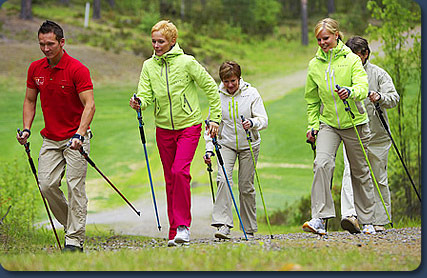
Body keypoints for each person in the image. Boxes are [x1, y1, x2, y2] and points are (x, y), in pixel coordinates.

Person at [129, 20, 222, 246]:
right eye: (153, 41)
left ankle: (183, 226)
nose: (156, 46)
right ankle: (174, 232)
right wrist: (139, 102)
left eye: (161, 41)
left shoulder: (187, 62)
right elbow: (146, 94)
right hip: (163, 129)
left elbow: (211, 87)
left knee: (180, 171)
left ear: (172, 41)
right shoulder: (148, 66)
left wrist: (216, 118)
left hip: (189, 126)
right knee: (170, 177)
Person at [16, 20, 95, 252]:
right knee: (46, 185)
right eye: (41, 44)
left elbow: (89, 105)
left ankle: (74, 239)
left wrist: (80, 133)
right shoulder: (35, 69)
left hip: (75, 139)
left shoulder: (77, 69)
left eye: (50, 44)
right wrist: (27, 128)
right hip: (50, 138)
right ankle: (72, 224)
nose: (46, 49)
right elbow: (30, 100)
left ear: (62, 42)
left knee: (74, 186)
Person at [303, 18, 377, 235]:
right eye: (318, 39)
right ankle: (320, 218)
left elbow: (362, 87)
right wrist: (313, 124)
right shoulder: (314, 65)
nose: (322, 43)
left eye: (325, 38)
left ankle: (368, 221)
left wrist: (350, 92)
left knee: (360, 171)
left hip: (354, 121)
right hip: (329, 124)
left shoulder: (352, 60)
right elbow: (311, 100)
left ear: (336, 35)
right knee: (322, 164)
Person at [340, 36, 399, 233]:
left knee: (378, 178)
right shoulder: (343, 74)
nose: (352, 60)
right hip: (353, 134)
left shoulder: (378, 74)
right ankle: (352, 217)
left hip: (378, 137)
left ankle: (380, 220)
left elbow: (394, 98)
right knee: (350, 175)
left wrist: (380, 97)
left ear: (365, 55)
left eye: (356, 56)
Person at [203, 61, 268, 240]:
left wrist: (253, 123)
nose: (230, 85)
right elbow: (210, 126)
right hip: (226, 144)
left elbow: (264, 119)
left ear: (239, 78)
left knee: (246, 186)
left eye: (233, 81)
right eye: (226, 81)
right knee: (223, 180)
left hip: (249, 144)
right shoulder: (217, 96)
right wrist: (209, 150)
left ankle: (249, 228)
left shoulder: (251, 93)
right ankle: (223, 225)